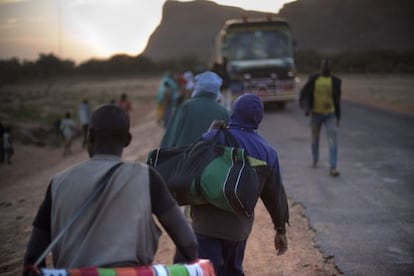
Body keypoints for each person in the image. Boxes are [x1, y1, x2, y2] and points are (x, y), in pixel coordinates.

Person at [23, 105, 198, 271]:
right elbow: (189, 243)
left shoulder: (58, 183)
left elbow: (33, 256)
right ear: (128, 140)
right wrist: (181, 265)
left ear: (89, 137)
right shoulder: (146, 177)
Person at [189, 94, 289, 275]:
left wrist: (210, 133)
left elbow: (191, 168)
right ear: (258, 118)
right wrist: (280, 229)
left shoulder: (211, 136)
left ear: (234, 112)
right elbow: (275, 195)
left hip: (205, 222)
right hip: (237, 227)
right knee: (232, 270)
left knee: (205, 271)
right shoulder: (267, 152)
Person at [160, 70, 229, 148]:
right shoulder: (224, 112)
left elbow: (172, 136)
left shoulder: (186, 107)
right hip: (211, 158)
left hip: (184, 157)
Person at [299, 59, 342, 177]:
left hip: (330, 114)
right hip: (316, 114)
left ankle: (333, 167)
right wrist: (306, 108)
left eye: (328, 67)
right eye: (324, 66)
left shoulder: (336, 81)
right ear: (320, 67)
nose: (325, 69)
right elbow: (305, 94)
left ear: (330, 69)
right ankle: (315, 159)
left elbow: (338, 100)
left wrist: (338, 116)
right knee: (315, 139)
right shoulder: (314, 79)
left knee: (332, 140)